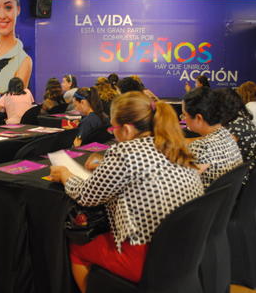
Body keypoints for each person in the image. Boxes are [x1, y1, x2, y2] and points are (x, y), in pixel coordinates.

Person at [49, 92, 203, 293]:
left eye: (114, 128)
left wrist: (65, 174)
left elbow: (86, 196)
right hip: (186, 249)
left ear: (128, 130)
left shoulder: (124, 152)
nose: (113, 133)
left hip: (145, 257)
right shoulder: (174, 145)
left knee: (78, 247)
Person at [183, 87, 243, 188]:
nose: (184, 119)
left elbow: (182, 184)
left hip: (202, 201)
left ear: (198, 118)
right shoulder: (227, 135)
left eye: (184, 115)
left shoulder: (200, 147)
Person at [215, 88, 256, 163]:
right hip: (246, 169)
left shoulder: (234, 129)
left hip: (242, 172)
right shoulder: (240, 120)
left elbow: (216, 154)